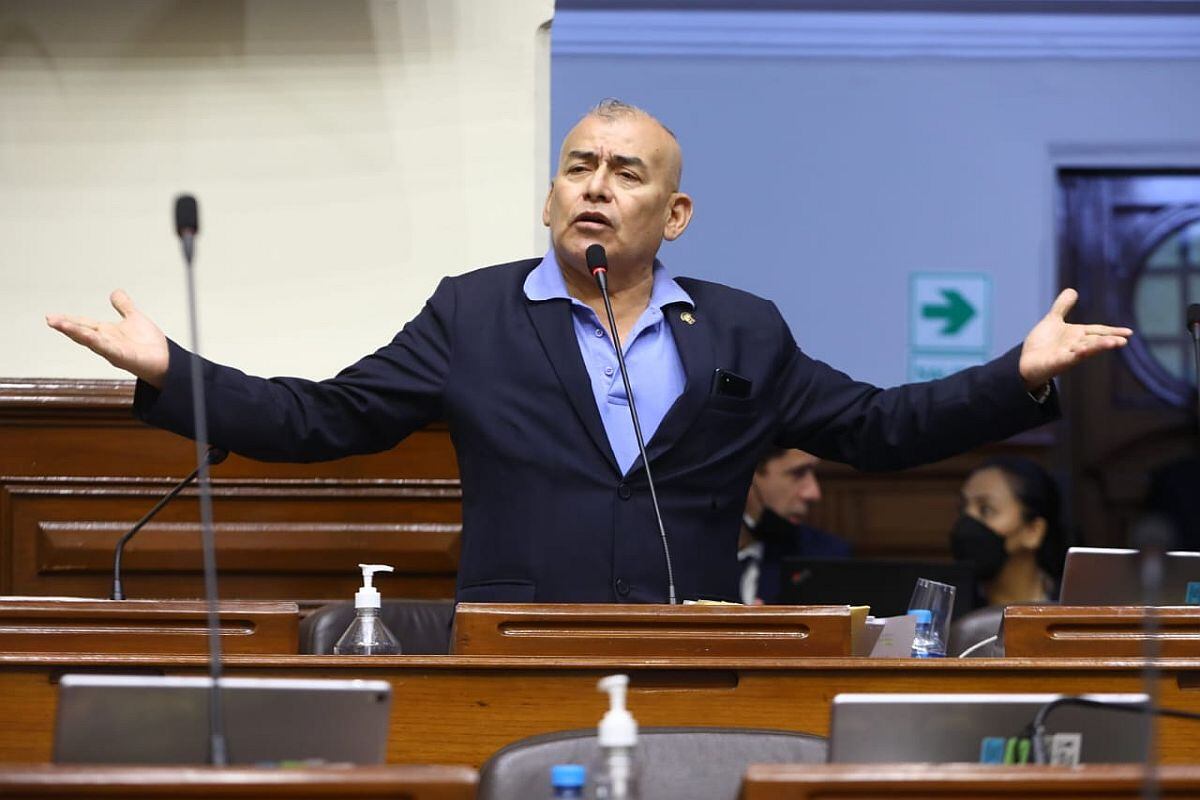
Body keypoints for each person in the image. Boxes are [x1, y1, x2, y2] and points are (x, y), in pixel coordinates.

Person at [47, 99, 1131, 604]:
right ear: (552, 192)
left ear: (677, 211)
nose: (597, 185)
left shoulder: (744, 326)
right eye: (579, 166)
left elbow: (880, 429)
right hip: (513, 642)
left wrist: (1018, 371)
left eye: (626, 172)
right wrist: (171, 370)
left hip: (696, 650)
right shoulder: (468, 315)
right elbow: (322, 418)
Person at [947, 456, 1069, 656]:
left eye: (986, 509)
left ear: (1033, 531)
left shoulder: (1071, 615)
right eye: (963, 509)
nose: (967, 524)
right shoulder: (949, 618)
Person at [738, 449, 850, 605]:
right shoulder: (696, 553)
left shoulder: (825, 557)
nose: (814, 493)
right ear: (748, 475)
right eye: (798, 473)